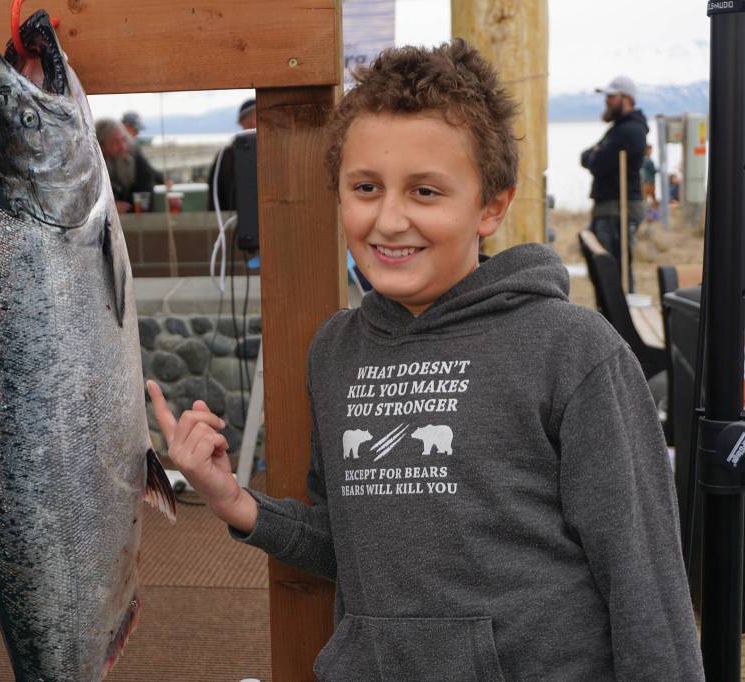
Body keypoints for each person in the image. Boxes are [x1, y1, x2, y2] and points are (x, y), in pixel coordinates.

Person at [148, 41, 702, 680]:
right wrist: (235, 501)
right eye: (365, 188)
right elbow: (347, 544)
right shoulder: (335, 352)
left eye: (425, 191)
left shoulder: (575, 351)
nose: (388, 219)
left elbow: (646, 585)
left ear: (491, 206)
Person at [580, 75, 648, 291]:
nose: (606, 101)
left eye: (611, 96)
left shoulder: (629, 131)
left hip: (619, 207)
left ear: (626, 98)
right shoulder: (619, 129)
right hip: (611, 207)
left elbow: (597, 163)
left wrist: (595, 155)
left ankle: (620, 317)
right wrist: (594, 155)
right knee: (606, 266)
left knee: (614, 270)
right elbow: (586, 157)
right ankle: (612, 313)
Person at [95, 118, 163, 213]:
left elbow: (145, 192)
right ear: (101, 146)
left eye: (123, 140)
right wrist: (107, 207)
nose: (122, 146)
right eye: (115, 142)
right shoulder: (92, 167)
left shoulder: (134, 157)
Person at [206, 98, 257, 211]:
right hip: (233, 220)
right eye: (252, 117)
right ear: (241, 122)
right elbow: (215, 196)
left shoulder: (273, 155)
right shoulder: (225, 157)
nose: (255, 123)